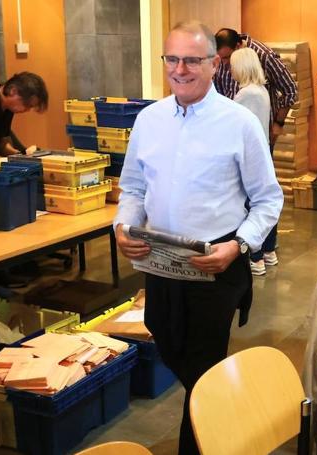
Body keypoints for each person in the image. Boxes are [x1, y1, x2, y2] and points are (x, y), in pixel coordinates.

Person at [113, 21, 283, 455]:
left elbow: (267, 198)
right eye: (173, 59)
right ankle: (231, 418)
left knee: (203, 365)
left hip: (216, 262)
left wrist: (240, 245)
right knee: (167, 338)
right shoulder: (148, 120)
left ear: (213, 65)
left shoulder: (239, 122)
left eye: (193, 60)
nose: (181, 69)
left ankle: (205, 441)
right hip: (161, 260)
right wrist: (122, 224)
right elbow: (132, 187)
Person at [230, 47, 277, 275]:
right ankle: (268, 252)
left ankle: (255, 258)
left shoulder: (245, 94)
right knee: (264, 200)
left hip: (247, 155)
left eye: (232, 66)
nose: (230, 71)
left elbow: (234, 127)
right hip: (263, 149)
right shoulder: (262, 90)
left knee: (249, 206)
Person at [214, 28, 297, 147]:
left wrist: (278, 124)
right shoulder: (222, 59)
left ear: (238, 46)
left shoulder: (265, 56)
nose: (225, 63)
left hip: (249, 136)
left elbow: (290, 90)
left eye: (227, 58)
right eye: (221, 58)